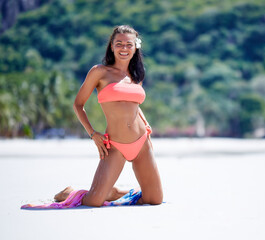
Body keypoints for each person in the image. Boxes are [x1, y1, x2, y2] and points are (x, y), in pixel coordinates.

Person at [22, 25, 163, 209]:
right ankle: (70, 192)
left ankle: (112, 192)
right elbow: (78, 105)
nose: (124, 48)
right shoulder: (99, 72)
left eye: (129, 44)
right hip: (115, 144)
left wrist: (146, 125)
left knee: (155, 199)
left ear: (136, 46)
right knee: (93, 202)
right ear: (111, 46)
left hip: (141, 141)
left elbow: (134, 105)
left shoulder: (137, 74)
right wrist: (93, 134)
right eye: (119, 43)